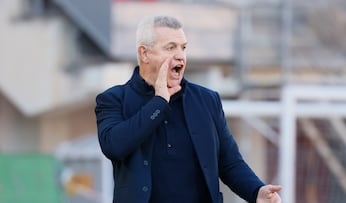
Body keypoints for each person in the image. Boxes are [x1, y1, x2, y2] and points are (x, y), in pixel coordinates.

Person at [95, 15, 282, 203]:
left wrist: (256, 191)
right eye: (170, 47)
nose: (180, 55)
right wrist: (159, 102)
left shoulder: (207, 100)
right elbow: (114, 146)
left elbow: (229, 162)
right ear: (144, 54)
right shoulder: (114, 99)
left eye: (183, 48)